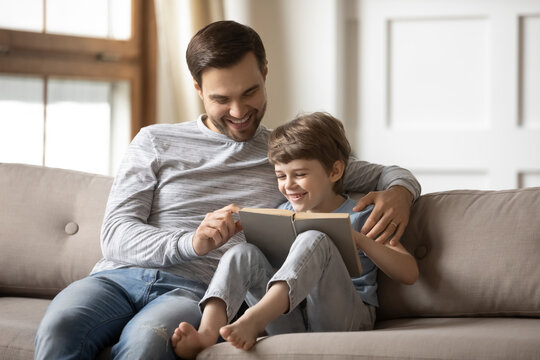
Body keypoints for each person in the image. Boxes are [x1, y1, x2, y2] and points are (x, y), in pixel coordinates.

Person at [34, 21, 420, 359]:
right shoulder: (154, 141)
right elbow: (115, 236)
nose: (238, 111)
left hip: (189, 292)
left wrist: (400, 191)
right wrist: (192, 242)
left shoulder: (285, 154)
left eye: (250, 92)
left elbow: (385, 173)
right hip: (115, 279)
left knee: (146, 344)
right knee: (60, 327)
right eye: (221, 99)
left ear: (266, 73)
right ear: (199, 89)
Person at [170, 112, 419, 358]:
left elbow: (409, 273)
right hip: (292, 321)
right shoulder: (283, 212)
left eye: (300, 174)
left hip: (346, 318)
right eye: (281, 176)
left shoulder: (363, 215)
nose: (288, 185)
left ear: (335, 171)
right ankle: (206, 334)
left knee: (314, 237)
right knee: (241, 252)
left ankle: (254, 319)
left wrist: (360, 240)